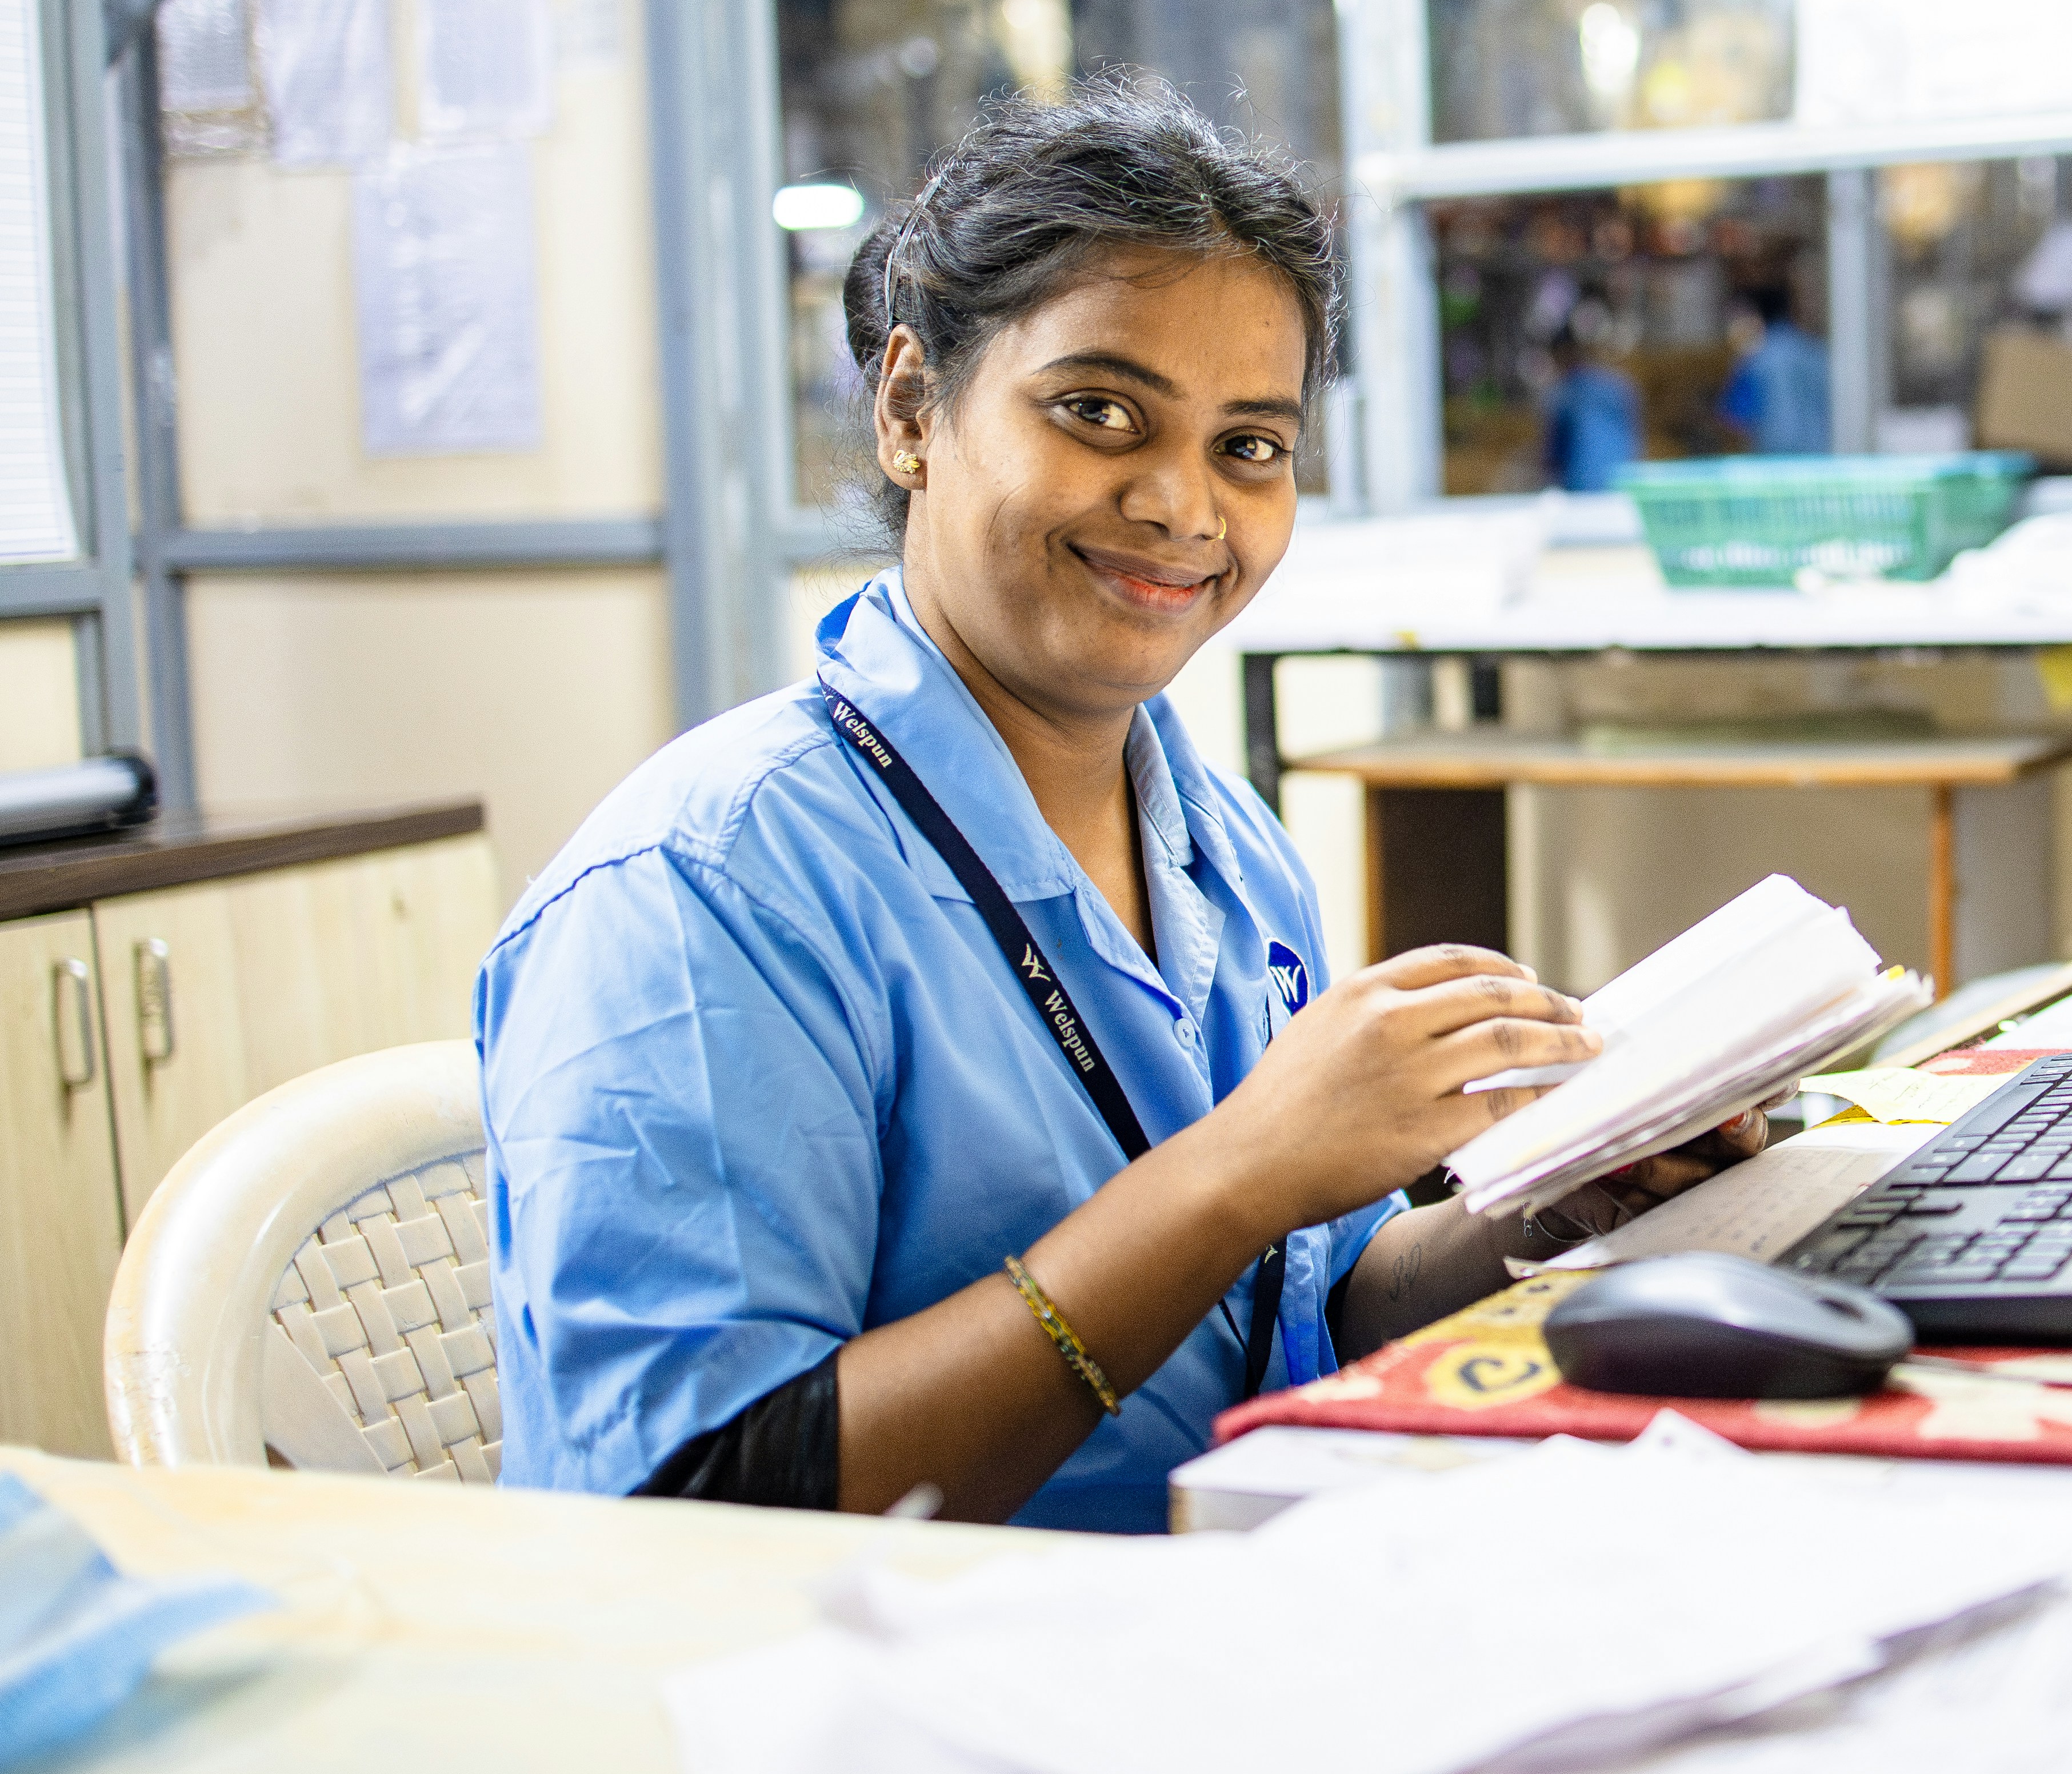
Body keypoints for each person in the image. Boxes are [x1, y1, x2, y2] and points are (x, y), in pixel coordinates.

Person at [478, 81, 1756, 1529]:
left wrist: (1549, 1202)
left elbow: (1303, 1306)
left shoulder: (1227, 850)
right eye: (1099, 411)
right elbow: (700, 1502)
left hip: (1219, 1607)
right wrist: (1231, 1171)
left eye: (1248, 446)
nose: (1180, 506)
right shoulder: (708, 888)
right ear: (911, 407)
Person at [1717, 278, 1830, 455]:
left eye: (1735, 318)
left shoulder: (1754, 359)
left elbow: (1736, 418)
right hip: (1825, 457)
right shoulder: (1817, 351)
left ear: (1754, 315)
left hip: (1776, 464)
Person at [1540, 311, 1644, 491]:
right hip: (1624, 484)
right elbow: (1636, 440)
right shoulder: (1621, 385)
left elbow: (1553, 455)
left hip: (1582, 488)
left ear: (1560, 356)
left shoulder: (1562, 394)